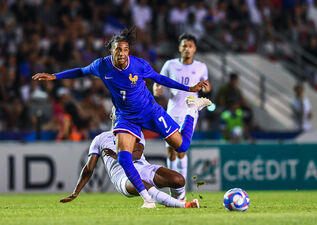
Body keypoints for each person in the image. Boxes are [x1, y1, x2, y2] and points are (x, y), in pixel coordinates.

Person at [32, 27, 211, 208]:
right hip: (126, 117)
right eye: (118, 49)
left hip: (150, 111)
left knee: (182, 146)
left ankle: (192, 109)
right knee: (124, 159)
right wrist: (54, 76)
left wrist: (189, 89)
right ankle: (148, 200)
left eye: (125, 50)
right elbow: (80, 71)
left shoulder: (139, 65)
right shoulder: (102, 65)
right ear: (111, 50)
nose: (122, 53)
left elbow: (160, 78)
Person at [59, 129, 199, 208]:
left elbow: (137, 154)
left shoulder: (136, 132)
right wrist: (76, 192)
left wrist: (119, 155)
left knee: (178, 180)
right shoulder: (100, 139)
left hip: (143, 167)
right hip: (122, 177)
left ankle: (174, 201)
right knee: (144, 186)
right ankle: (183, 205)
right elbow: (89, 168)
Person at [153, 33, 211, 200]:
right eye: (184, 46)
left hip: (189, 113)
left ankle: (181, 192)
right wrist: (156, 90)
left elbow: (206, 85)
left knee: (181, 151)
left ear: (195, 49)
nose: (187, 49)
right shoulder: (170, 64)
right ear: (179, 48)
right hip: (171, 112)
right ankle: (174, 189)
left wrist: (206, 89)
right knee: (171, 151)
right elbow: (159, 81)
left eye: (190, 46)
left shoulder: (201, 66)